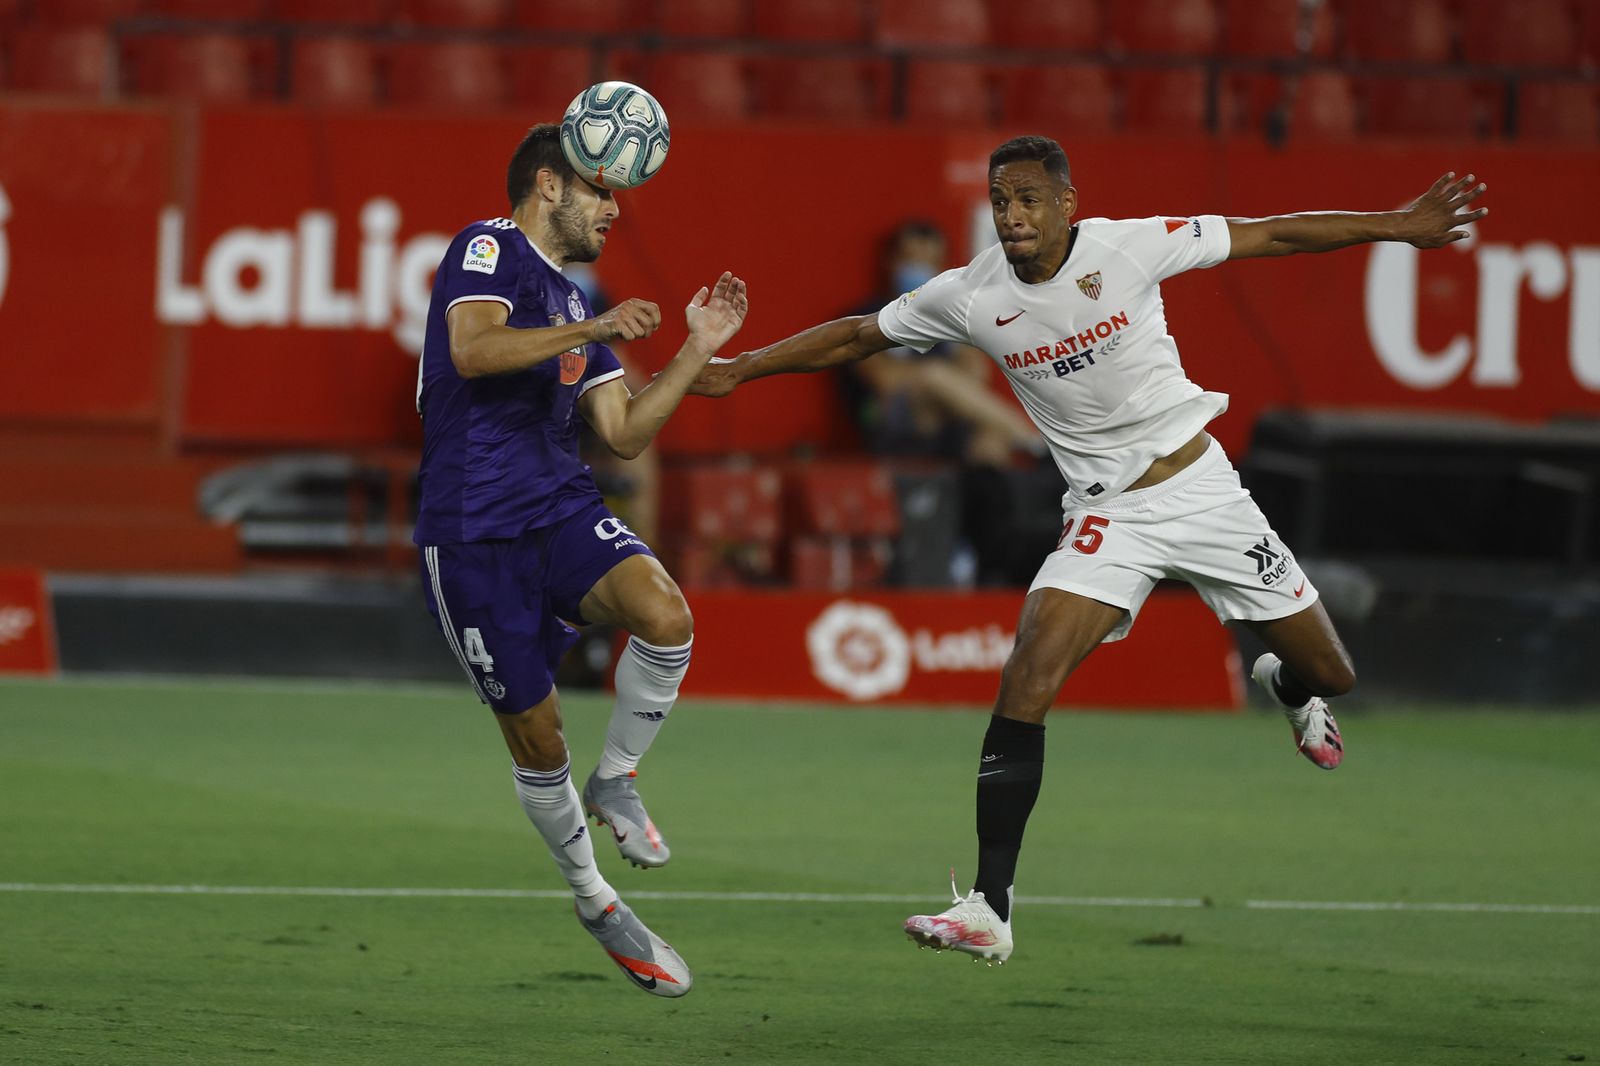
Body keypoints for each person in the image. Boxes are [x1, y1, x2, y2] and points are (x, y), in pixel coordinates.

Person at [690, 135, 1487, 964]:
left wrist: (1401, 224)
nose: (1013, 215)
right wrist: (740, 368)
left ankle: (1285, 685)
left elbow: (1273, 233)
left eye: (1030, 198)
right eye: (1001, 200)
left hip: (1206, 495)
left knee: (1333, 675)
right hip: (1109, 516)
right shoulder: (972, 295)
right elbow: (860, 336)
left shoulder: (1130, 247)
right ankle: (988, 909)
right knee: (1026, 676)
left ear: (1069, 202)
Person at [413, 123, 747, 996]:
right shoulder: (487, 248)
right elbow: (473, 351)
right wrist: (593, 324)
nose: (615, 206)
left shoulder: (571, 302)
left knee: (666, 613)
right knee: (537, 735)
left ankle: (619, 778)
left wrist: (696, 347)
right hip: (472, 531)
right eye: (601, 190)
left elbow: (625, 435)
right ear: (550, 187)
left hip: (559, 508)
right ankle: (595, 900)